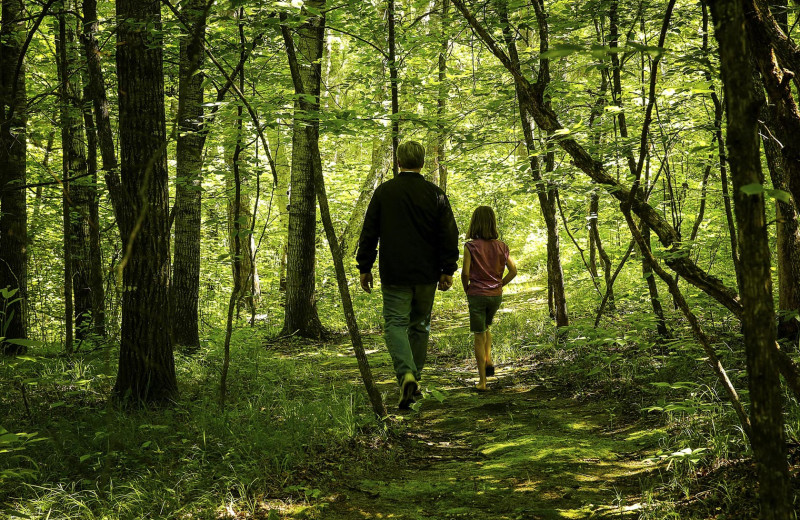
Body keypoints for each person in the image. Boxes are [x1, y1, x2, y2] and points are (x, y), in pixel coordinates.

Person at [356, 140, 459, 410]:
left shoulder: (384, 193)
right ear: (423, 162)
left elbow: (369, 232)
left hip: (395, 272)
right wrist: (447, 269)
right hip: (427, 274)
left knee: (395, 324)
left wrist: (364, 266)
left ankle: (407, 375)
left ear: (398, 162)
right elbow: (449, 233)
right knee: (419, 325)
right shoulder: (435, 194)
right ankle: (415, 378)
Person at [460, 206, 517, 391]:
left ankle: (483, 382)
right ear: (493, 223)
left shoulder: (470, 246)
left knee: (479, 335)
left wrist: (466, 289)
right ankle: (489, 359)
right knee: (486, 327)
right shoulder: (502, 246)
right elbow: (514, 271)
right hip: (495, 296)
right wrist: (499, 284)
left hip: (477, 294)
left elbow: (465, 273)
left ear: (474, 223)